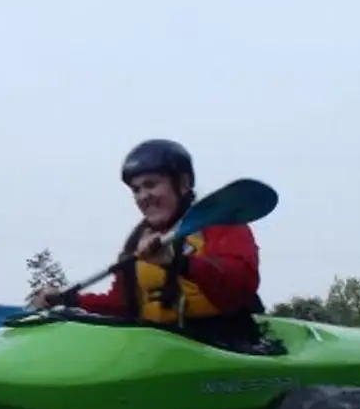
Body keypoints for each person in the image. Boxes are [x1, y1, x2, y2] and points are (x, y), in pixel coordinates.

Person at [28, 138, 270, 349]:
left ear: (183, 183)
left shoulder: (220, 224)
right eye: (136, 189)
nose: (143, 196)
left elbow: (241, 283)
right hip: (158, 346)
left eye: (152, 184)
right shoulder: (138, 241)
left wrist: (180, 263)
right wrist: (67, 300)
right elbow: (123, 304)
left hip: (224, 343)